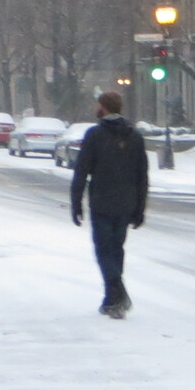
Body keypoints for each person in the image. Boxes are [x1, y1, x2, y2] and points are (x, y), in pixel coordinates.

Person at [70, 89, 149, 318]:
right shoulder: (134, 136)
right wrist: (140, 208)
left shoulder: (95, 135)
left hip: (102, 202)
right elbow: (142, 175)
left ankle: (118, 293)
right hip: (126, 203)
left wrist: (76, 203)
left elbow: (81, 171)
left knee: (104, 250)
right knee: (116, 249)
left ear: (103, 107)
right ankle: (111, 299)